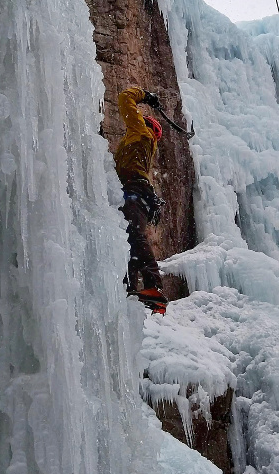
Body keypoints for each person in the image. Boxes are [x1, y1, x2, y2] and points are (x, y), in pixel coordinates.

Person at [114, 87, 169, 315]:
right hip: (136, 192)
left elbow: (125, 97)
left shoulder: (141, 133)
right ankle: (128, 288)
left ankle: (153, 286)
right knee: (129, 242)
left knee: (134, 237)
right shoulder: (138, 144)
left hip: (134, 190)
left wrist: (145, 96)